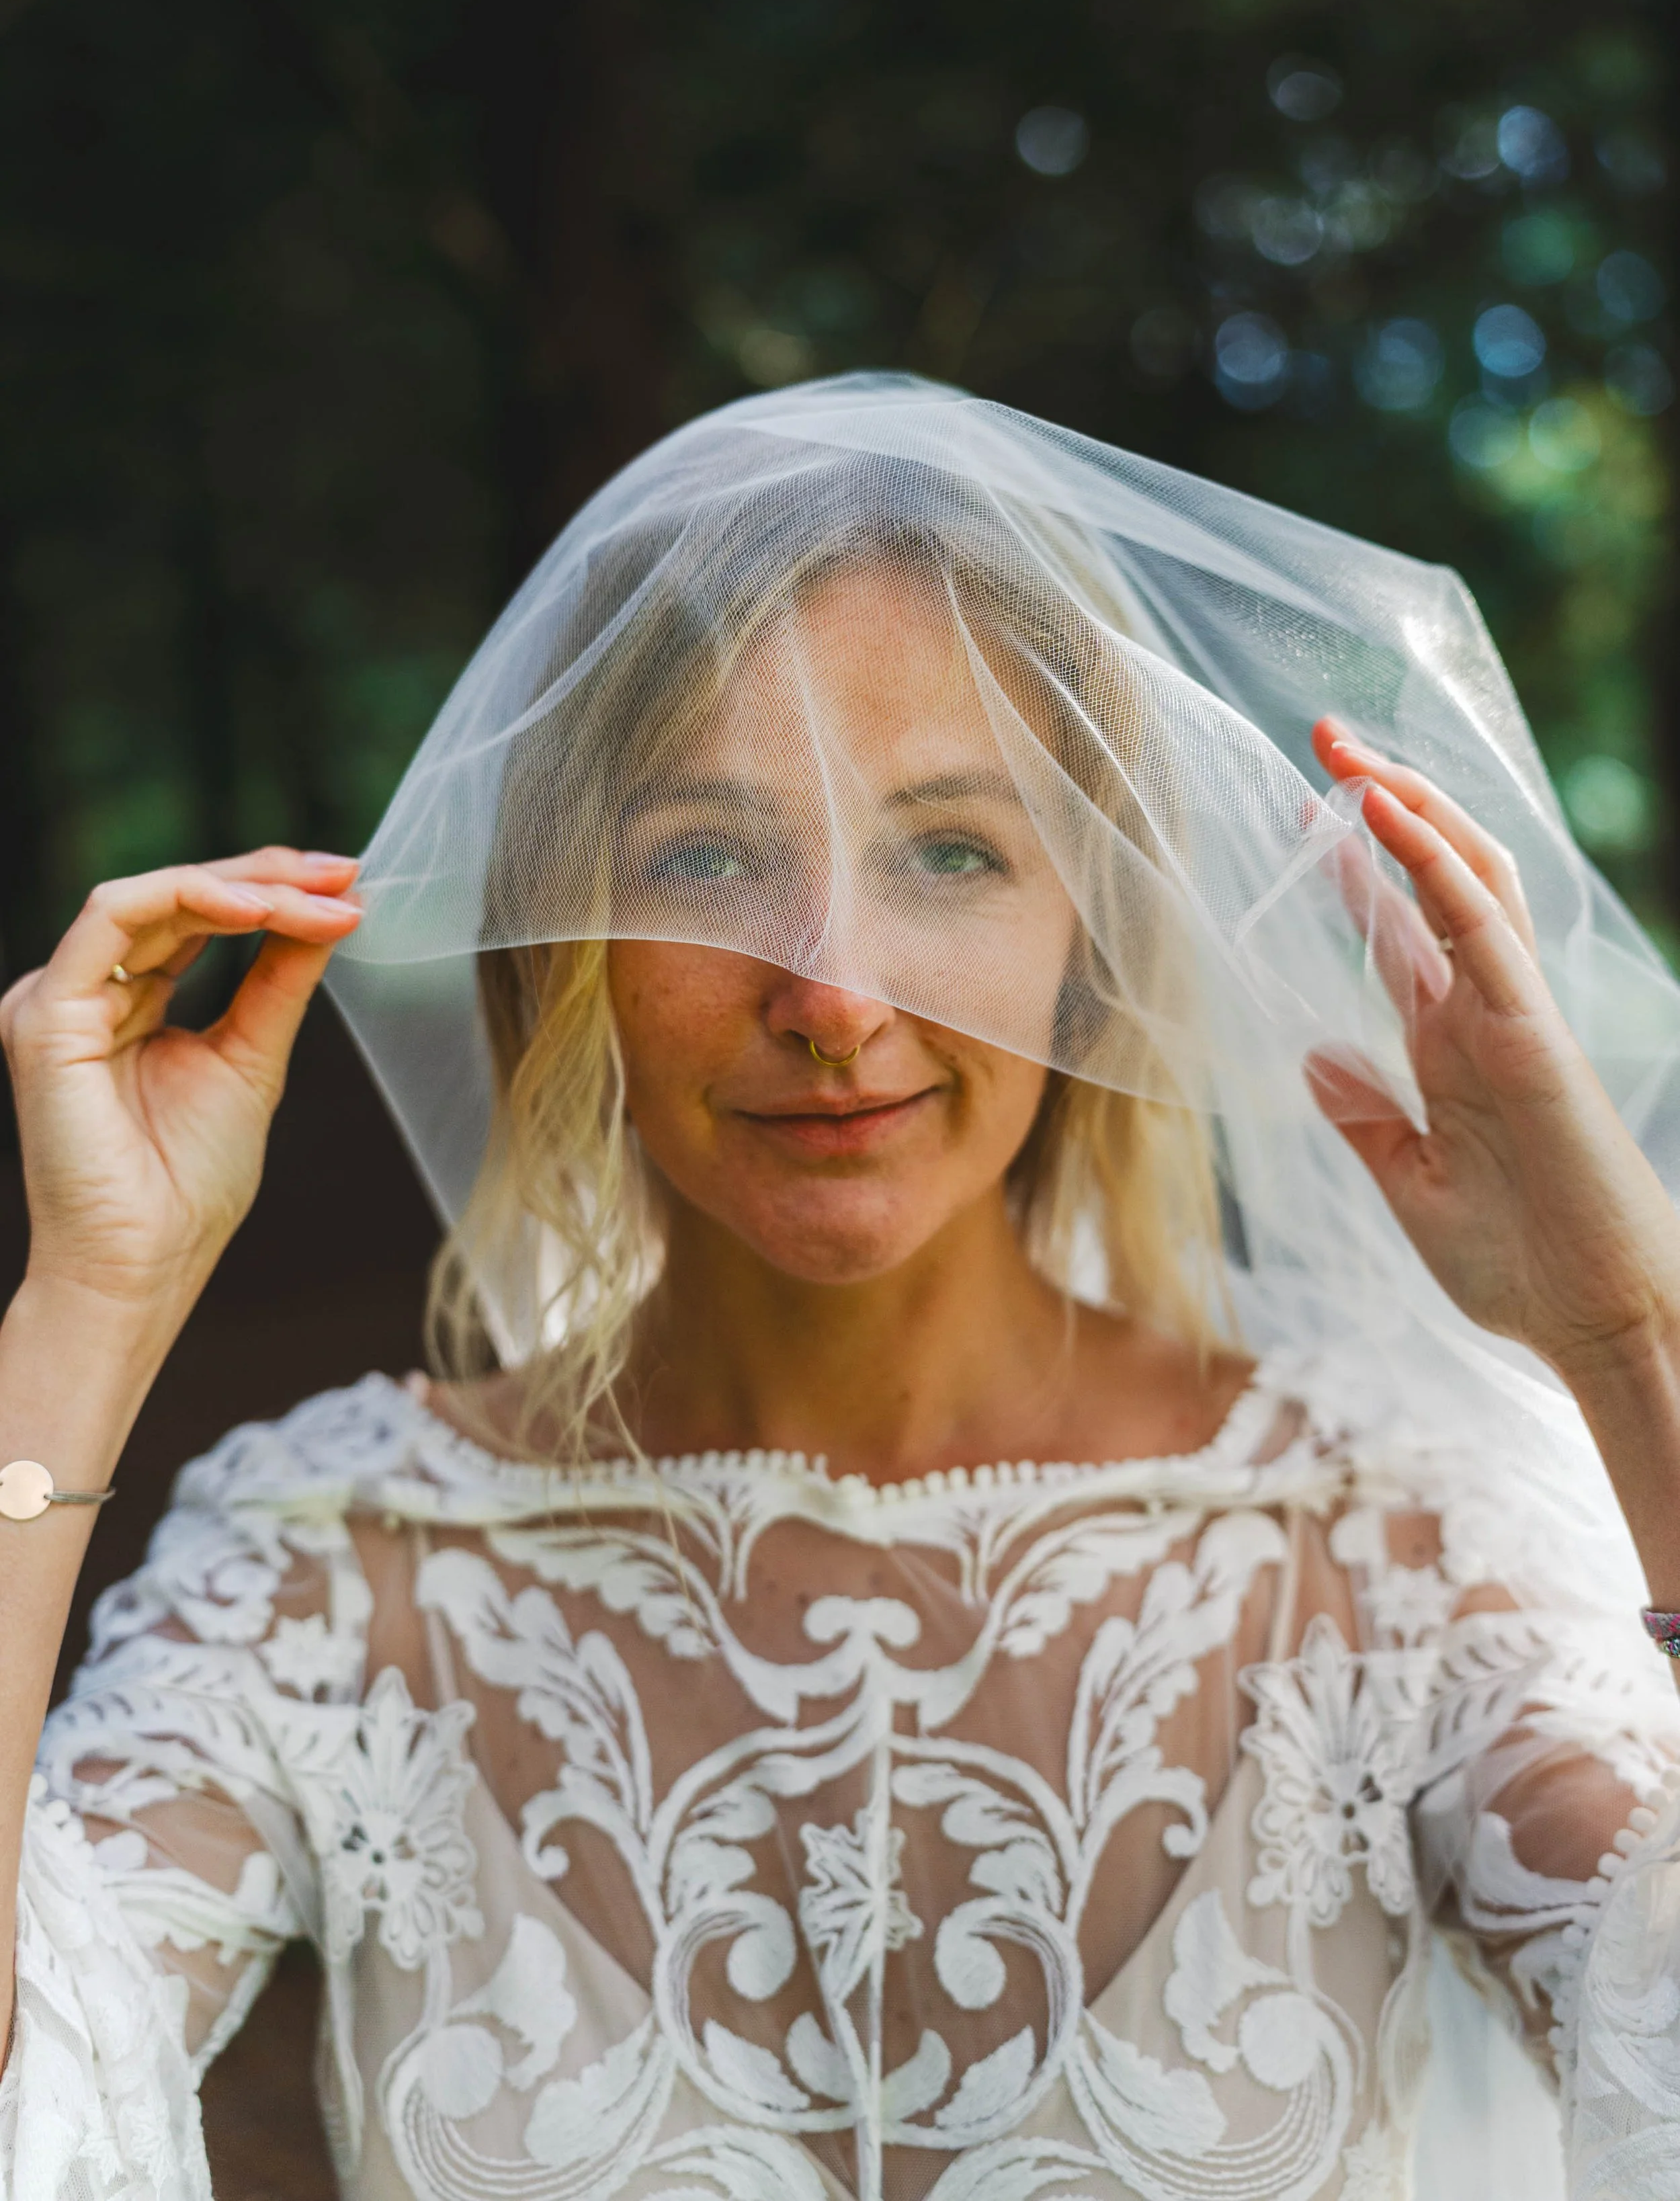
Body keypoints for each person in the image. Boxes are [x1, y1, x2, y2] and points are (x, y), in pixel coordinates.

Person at [2, 374, 1679, 2201]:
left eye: (947, 850)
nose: (835, 993)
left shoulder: (1393, 1541)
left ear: (1088, 930)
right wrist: (88, 1298)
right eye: (710, 857)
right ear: (564, 929)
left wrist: (1625, 1342)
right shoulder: (329, 1564)